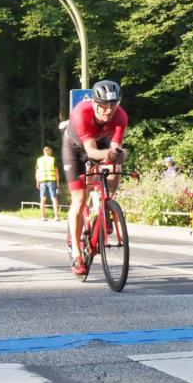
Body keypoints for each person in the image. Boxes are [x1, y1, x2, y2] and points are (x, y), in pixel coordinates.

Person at [61, 79, 129, 275]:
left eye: (113, 106)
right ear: (94, 103)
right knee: (80, 199)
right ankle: (76, 254)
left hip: (100, 145)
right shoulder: (82, 113)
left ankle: (106, 207)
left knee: (115, 165)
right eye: (103, 106)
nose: (108, 111)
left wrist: (119, 155)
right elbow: (90, 152)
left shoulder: (121, 117)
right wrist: (109, 154)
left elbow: (115, 148)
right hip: (75, 150)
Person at [35, 146, 60, 221]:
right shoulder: (52, 159)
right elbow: (56, 172)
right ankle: (56, 216)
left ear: (44, 152)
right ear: (50, 152)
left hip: (42, 181)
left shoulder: (39, 160)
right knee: (54, 198)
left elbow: (37, 172)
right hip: (51, 180)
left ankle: (43, 217)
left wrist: (37, 182)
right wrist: (58, 182)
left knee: (43, 199)